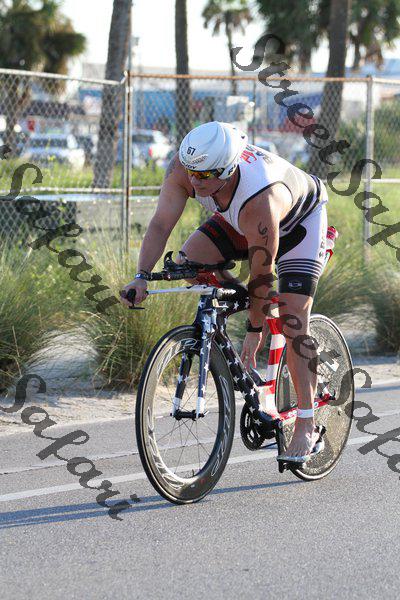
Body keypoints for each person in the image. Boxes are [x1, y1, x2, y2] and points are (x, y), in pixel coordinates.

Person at [121, 121, 329, 464]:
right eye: (191, 172)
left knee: (293, 320)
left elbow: (262, 275)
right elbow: (160, 223)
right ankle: (251, 309)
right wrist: (140, 276)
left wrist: (254, 331)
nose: (194, 181)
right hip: (239, 220)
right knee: (189, 264)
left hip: (298, 224)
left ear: (229, 169)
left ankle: (307, 424)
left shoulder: (261, 199)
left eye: (204, 175)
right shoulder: (187, 168)